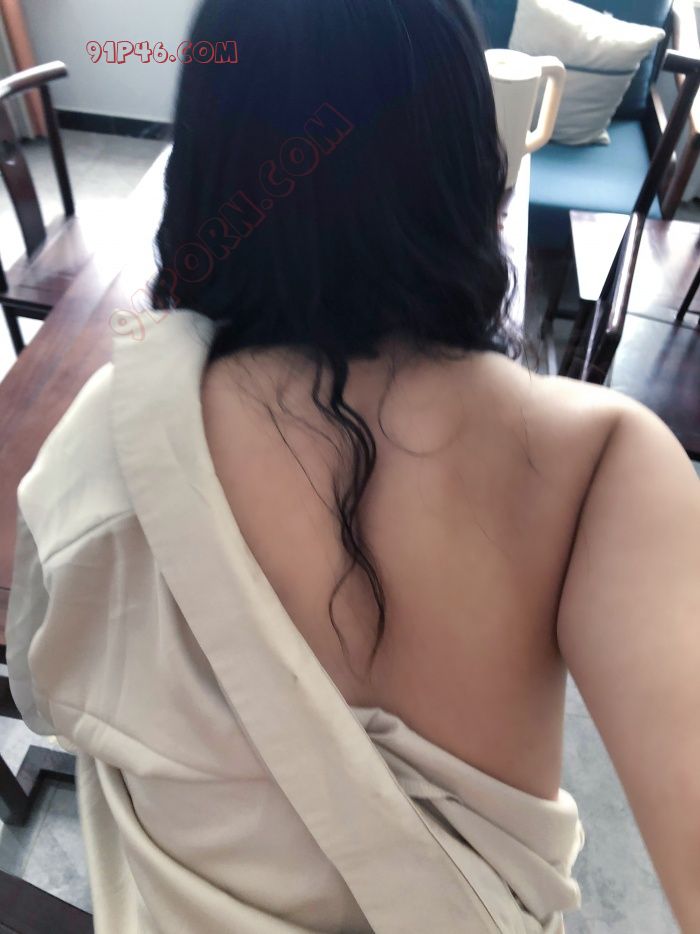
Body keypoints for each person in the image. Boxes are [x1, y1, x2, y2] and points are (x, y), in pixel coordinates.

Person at [6, 0, 700, 930]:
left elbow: (46, 686)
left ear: (204, 168)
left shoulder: (112, 432)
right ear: (476, 162)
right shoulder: (597, 467)